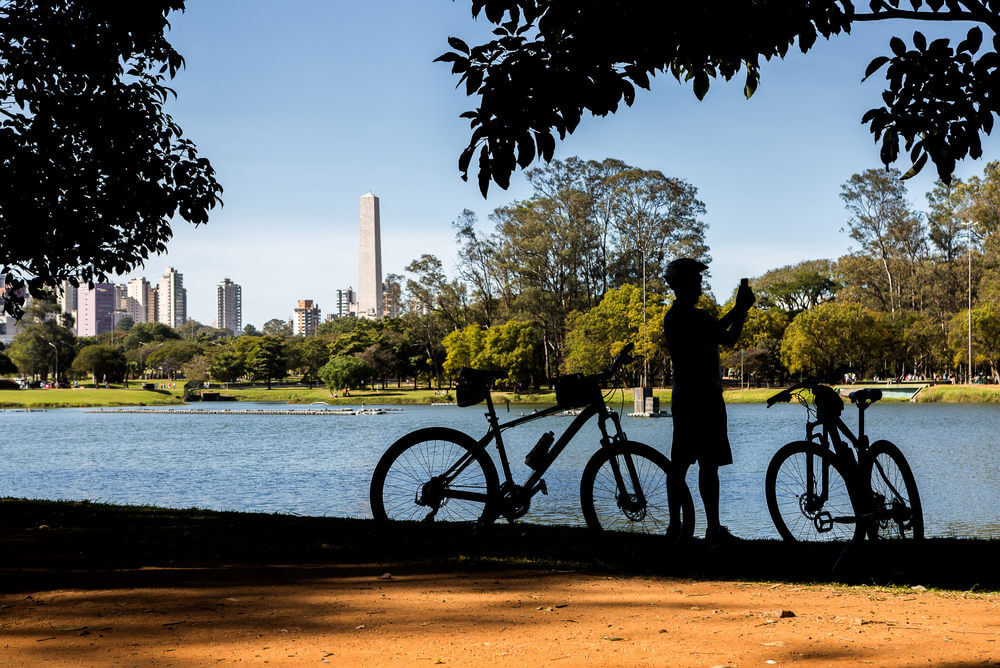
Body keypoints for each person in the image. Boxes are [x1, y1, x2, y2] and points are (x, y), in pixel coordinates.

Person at [662, 258, 755, 545]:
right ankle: (698, 527)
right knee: (696, 465)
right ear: (683, 285)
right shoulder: (688, 317)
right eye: (696, 281)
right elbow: (724, 335)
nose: (700, 285)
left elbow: (719, 331)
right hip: (701, 399)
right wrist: (740, 311)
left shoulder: (679, 316)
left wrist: (738, 311)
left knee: (691, 464)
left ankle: (683, 526)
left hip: (692, 398)